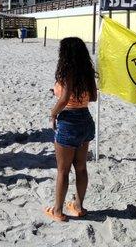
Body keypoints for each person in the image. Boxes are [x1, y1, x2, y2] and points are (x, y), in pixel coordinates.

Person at [44, 37, 97, 222]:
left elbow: (65, 98)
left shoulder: (67, 70)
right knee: (81, 167)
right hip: (86, 119)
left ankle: (58, 211)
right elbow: (93, 97)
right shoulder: (87, 71)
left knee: (63, 170)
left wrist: (53, 113)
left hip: (69, 120)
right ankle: (78, 206)